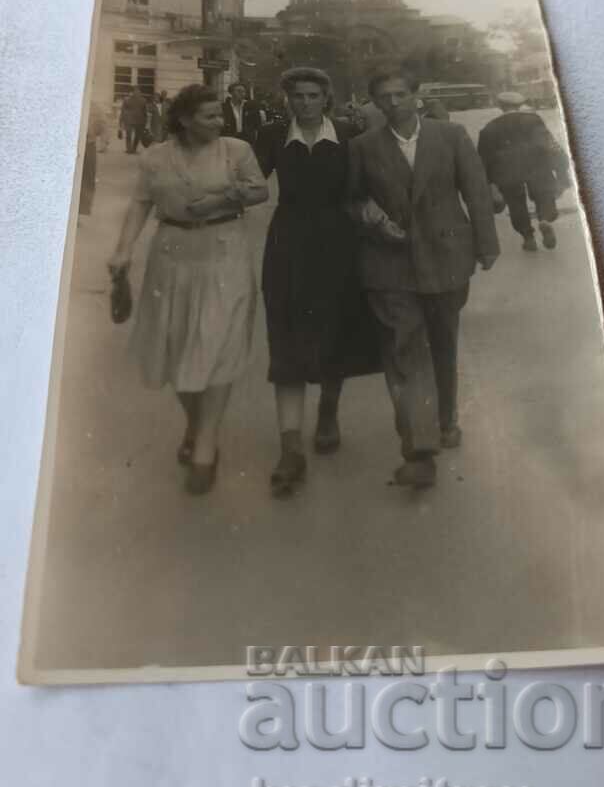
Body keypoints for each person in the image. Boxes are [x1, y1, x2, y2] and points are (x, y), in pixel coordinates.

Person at [108, 84, 268, 494]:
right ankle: (198, 425)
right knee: (178, 346)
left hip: (224, 252)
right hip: (172, 255)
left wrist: (221, 199)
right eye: (209, 116)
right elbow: (141, 204)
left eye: (220, 115)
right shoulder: (155, 157)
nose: (219, 122)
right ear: (183, 120)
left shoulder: (236, 150)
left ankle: (206, 446)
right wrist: (123, 250)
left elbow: (259, 189)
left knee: (216, 344)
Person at [348, 65, 499, 489]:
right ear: (374, 102)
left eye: (400, 95)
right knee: (406, 347)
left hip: (447, 255)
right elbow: (353, 197)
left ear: (416, 95)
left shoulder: (449, 136)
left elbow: (476, 189)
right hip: (389, 263)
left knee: (443, 341)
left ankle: (447, 417)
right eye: (384, 97)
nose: (393, 104)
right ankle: (420, 446)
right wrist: (372, 217)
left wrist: (486, 245)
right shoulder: (362, 146)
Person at [255, 67, 381, 495]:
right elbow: (250, 181)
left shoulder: (348, 135)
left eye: (313, 96)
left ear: (326, 98)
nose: (305, 103)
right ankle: (291, 449)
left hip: (338, 243)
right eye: (297, 96)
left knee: (334, 331)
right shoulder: (272, 136)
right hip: (287, 245)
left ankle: (328, 412)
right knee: (286, 335)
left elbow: (369, 187)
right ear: (286, 98)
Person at [477, 91, 570, 252]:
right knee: (544, 196)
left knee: (516, 205)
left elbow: (483, 158)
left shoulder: (489, 128)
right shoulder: (534, 120)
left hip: (507, 173)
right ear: (520, 104)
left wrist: (489, 182)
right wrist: (561, 166)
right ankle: (545, 219)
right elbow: (550, 145)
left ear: (500, 106)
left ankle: (528, 238)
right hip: (537, 168)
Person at [78, 101, 108, 217]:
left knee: (87, 178)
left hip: (88, 145)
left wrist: (104, 142)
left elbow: (103, 126)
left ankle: (81, 209)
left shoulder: (95, 107)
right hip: (76, 145)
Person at [221, 81, 263, 146]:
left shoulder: (251, 106)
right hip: (230, 139)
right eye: (239, 91)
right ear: (231, 92)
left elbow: (258, 125)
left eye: (244, 91)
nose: (242, 93)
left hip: (247, 140)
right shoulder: (224, 107)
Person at [119, 86, 148, 154]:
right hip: (129, 121)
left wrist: (145, 122)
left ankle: (134, 149)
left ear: (140, 92)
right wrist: (121, 120)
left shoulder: (143, 100)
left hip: (139, 121)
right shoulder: (127, 100)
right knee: (128, 135)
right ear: (132, 92)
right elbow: (123, 111)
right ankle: (129, 149)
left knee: (137, 136)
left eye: (138, 91)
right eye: (135, 91)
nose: (136, 92)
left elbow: (145, 112)